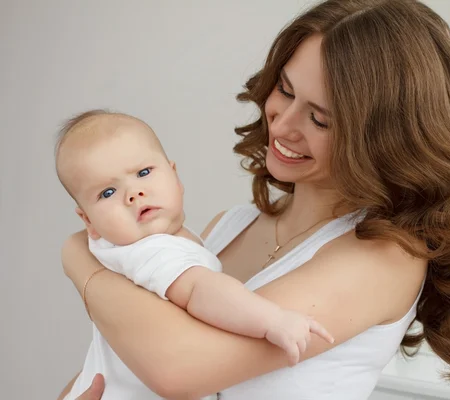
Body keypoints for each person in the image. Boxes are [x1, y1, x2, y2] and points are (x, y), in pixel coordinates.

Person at [59, 0, 450, 399]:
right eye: (284, 89)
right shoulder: (229, 226)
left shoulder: (383, 257)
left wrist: (80, 258)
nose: (282, 125)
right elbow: (114, 360)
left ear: (382, 139)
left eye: (319, 119)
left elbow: (177, 368)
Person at [54, 110, 333, 399]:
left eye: (143, 173)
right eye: (108, 192)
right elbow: (201, 291)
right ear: (88, 221)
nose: (133, 193)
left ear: (174, 174)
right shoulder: (152, 250)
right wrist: (273, 320)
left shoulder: (118, 250)